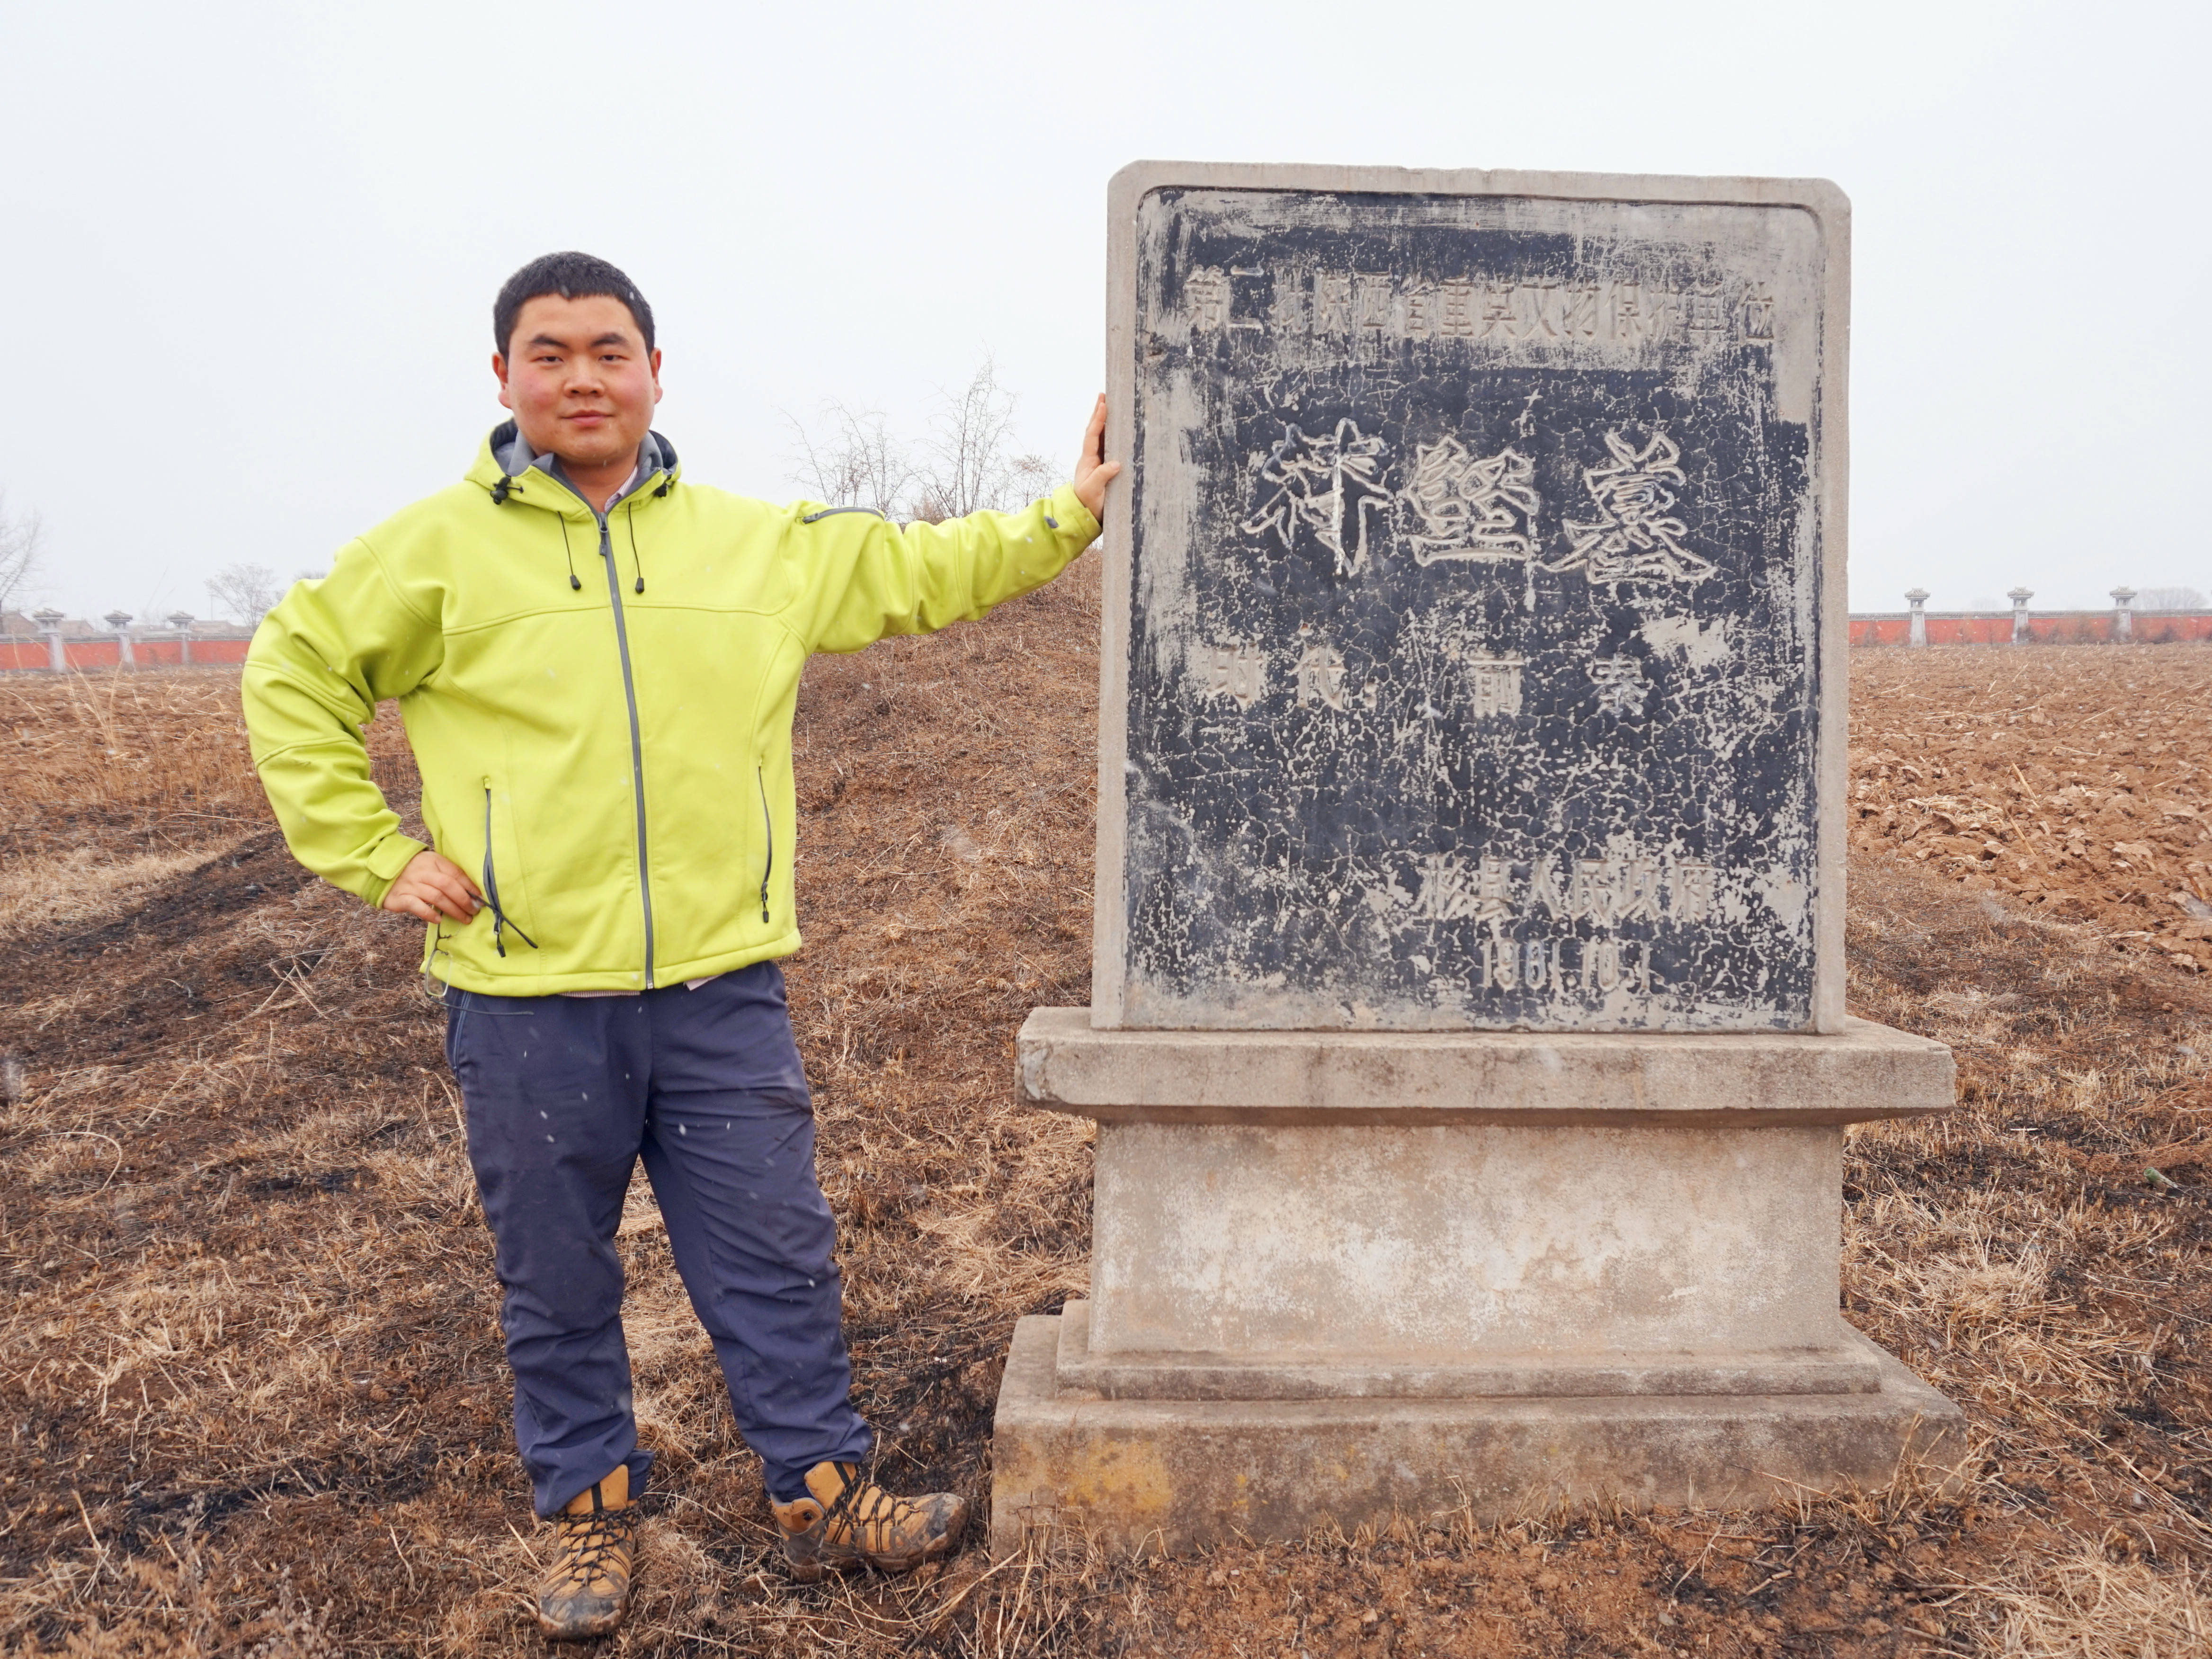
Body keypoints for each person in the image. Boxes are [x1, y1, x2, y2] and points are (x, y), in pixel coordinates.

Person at [241, 251, 1116, 1640]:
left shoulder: (750, 544)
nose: (580, 376)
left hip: (718, 988)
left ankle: (823, 1490)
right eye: (549, 354)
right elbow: (292, 669)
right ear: (504, 378)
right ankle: (590, 1520)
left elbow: (918, 570)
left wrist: (1068, 514)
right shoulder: (431, 554)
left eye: (607, 350)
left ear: (656, 368)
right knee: (559, 1272)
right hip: (529, 995)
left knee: (775, 1251)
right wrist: (378, 854)